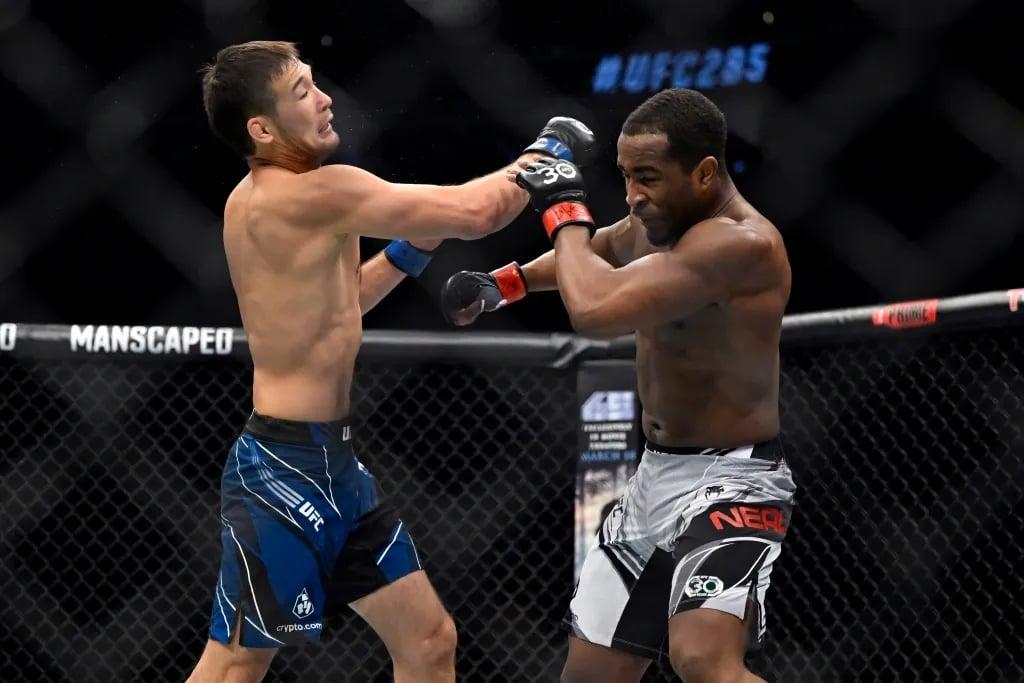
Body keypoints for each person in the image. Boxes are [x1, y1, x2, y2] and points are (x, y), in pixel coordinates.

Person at [187, 40, 594, 683]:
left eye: (315, 84)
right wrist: (546, 156)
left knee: (430, 642)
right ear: (261, 129)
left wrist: (411, 249)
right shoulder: (311, 193)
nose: (324, 100)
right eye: (301, 93)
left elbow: (342, 303)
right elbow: (477, 211)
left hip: (334, 464)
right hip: (284, 469)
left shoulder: (273, 199)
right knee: (237, 661)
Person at [441, 88, 796, 683]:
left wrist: (561, 206)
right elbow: (599, 249)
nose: (634, 196)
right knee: (589, 675)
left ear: (706, 172)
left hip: (733, 479)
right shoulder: (653, 222)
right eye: (627, 177)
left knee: (703, 659)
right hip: (652, 478)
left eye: (649, 178)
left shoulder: (741, 244)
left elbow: (597, 307)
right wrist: (506, 283)